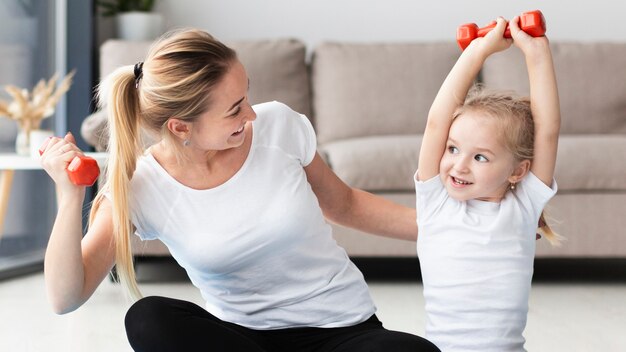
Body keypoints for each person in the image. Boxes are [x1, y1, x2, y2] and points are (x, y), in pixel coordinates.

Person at [40, 28, 439, 352]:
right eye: (234, 109)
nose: (250, 114)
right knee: (148, 318)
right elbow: (65, 298)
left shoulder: (278, 125)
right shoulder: (140, 187)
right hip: (241, 340)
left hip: (342, 330)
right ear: (181, 127)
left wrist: (446, 228)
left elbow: (346, 204)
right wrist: (69, 195)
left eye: (246, 95)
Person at [415, 16, 561, 351]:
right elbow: (437, 122)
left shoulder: (523, 206)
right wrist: (476, 53)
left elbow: (548, 129)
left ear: (518, 171)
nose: (460, 165)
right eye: (453, 149)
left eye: (480, 157)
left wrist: (537, 54)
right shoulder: (435, 200)